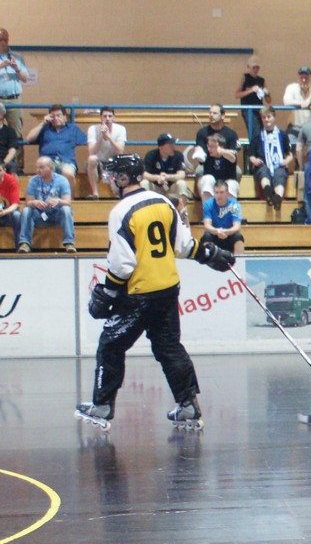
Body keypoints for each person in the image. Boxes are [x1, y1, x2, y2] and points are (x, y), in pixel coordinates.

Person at [74, 153, 235, 432]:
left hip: (138, 293)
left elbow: (122, 265)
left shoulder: (120, 211)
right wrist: (210, 255)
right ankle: (188, 405)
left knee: (110, 346)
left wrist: (108, 292)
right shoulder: (164, 202)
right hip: (167, 290)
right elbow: (184, 246)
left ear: (123, 178)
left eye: (113, 175)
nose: (109, 180)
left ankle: (102, 405)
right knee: (169, 348)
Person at [16, 156, 77, 253]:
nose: (38, 170)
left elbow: (68, 202)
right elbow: (28, 202)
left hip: (56, 214)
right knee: (27, 210)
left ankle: (69, 243)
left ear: (51, 168)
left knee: (66, 209)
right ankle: (25, 243)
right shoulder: (33, 181)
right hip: (39, 214)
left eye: (41, 167)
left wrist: (58, 201)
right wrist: (34, 202)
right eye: (37, 167)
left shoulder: (62, 180)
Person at [25, 104, 87, 185]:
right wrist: (42, 123)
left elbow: (87, 140)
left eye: (58, 115)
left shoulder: (73, 129)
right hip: (48, 162)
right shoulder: (45, 128)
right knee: (45, 172)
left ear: (64, 116)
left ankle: (68, 194)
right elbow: (29, 138)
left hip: (66, 161)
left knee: (68, 173)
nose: (56, 118)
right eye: (53, 116)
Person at [247, 109, 293, 211]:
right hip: (263, 164)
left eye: (269, 117)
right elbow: (250, 155)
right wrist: (254, 160)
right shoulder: (257, 135)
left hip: (278, 164)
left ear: (274, 117)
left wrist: (287, 161)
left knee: (280, 173)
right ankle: (267, 191)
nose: (266, 120)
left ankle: (278, 198)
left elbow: (289, 154)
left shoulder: (282, 134)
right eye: (264, 117)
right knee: (263, 171)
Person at [0, 28, 30, 173]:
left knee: (17, 132)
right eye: (0, 40)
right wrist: (1, 65)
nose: (2, 43)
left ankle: (18, 166)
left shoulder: (17, 57)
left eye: (4, 40)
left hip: (13, 99)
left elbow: (25, 79)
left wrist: (17, 69)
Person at [85, 107, 127, 199]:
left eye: (110, 116)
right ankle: (95, 193)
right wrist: (101, 136)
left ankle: (118, 193)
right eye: (104, 116)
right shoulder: (92, 129)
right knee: (91, 159)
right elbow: (92, 152)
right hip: (98, 164)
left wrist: (109, 136)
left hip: (113, 163)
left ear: (113, 118)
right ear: (100, 118)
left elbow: (120, 151)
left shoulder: (121, 129)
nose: (107, 118)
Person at [143, 133, 191, 206]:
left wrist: (167, 177)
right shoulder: (151, 155)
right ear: (161, 147)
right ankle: (145, 209)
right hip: (156, 188)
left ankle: (183, 210)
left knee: (182, 183)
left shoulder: (178, 155)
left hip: (171, 188)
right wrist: (158, 178)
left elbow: (182, 175)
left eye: (174, 144)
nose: (174, 147)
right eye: (170, 145)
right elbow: (144, 175)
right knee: (144, 183)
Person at [280, 66, 311, 136]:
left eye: (306, 78)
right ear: (298, 79)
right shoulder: (291, 87)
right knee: (289, 141)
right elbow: (286, 102)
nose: (304, 80)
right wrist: (304, 104)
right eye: (301, 78)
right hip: (294, 128)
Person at [202, 180, 245, 256]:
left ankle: (239, 261)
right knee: (206, 236)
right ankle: (207, 259)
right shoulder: (208, 204)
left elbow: (237, 226)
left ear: (227, 193)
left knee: (238, 237)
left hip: (229, 235)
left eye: (221, 192)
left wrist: (227, 232)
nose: (219, 195)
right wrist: (217, 231)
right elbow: (207, 225)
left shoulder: (235, 204)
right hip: (214, 234)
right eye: (216, 192)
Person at [196, 133, 239, 203]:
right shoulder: (207, 154)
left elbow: (232, 158)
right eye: (208, 146)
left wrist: (221, 151)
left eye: (212, 146)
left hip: (225, 184)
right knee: (207, 179)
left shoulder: (229, 154)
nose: (209, 149)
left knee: (231, 184)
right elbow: (200, 158)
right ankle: (208, 208)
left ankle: (229, 209)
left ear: (221, 147)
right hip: (212, 186)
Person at [234, 55, 267, 143]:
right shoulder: (245, 77)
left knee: (261, 132)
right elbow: (237, 94)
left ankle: (257, 148)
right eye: (254, 67)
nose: (256, 70)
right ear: (249, 67)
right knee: (255, 131)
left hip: (259, 110)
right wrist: (251, 90)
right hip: (248, 110)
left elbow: (268, 100)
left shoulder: (261, 80)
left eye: (257, 67)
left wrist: (267, 93)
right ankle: (253, 149)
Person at [0, 160, 21, 247]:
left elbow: (15, 204)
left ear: (4, 170)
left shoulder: (11, 180)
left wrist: (4, 212)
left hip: (7, 213)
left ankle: (20, 245)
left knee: (17, 215)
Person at [0, 103, 22, 168]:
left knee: (13, 166)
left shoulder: (10, 131)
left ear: (1, 115)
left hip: (4, 160)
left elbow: (12, 150)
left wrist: (3, 164)